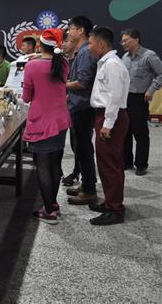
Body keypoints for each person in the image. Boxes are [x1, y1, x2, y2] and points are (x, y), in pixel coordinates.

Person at [23, 28, 71, 224]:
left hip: (42, 121)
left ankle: (49, 210)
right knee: (55, 163)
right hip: (61, 120)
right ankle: (53, 203)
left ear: (39, 45)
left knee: (42, 165)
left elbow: (27, 97)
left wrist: (33, 62)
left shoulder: (32, 66)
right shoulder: (63, 63)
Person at [87, 26, 130, 225]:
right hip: (105, 115)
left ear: (101, 44)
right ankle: (111, 202)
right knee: (108, 162)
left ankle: (115, 209)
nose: (89, 47)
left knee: (109, 164)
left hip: (109, 116)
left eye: (91, 43)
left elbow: (115, 96)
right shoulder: (106, 62)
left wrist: (108, 123)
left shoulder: (112, 64)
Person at [65, 16, 99, 205]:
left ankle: (90, 190)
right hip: (77, 105)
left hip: (83, 108)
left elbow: (83, 82)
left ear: (80, 31)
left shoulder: (86, 53)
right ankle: (86, 185)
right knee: (80, 148)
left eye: (71, 29)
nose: (68, 32)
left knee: (84, 149)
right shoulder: (81, 52)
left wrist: (63, 85)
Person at [121, 28, 162, 176]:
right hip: (125, 98)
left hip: (140, 98)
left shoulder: (149, 56)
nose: (123, 43)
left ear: (136, 40)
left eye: (126, 40)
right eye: (122, 40)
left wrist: (151, 90)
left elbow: (161, 74)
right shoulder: (124, 57)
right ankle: (127, 161)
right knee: (125, 131)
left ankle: (141, 164)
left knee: (140, 133)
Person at [60, 31, 83, 187]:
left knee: (80, 144)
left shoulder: (80, 58)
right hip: (67, 106)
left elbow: (81, 83)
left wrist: (63, 87)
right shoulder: (66, 60)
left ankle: (84, 179)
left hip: (79, 107)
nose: (63, 44)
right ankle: (76, 172)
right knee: (74, 143)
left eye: (67, 41)